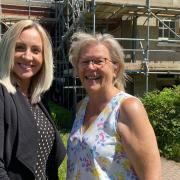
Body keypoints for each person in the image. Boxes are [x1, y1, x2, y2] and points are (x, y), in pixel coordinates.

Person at [67, 32, 161, 180]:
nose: (91, 67)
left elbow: (151, 176)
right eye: (84, 61)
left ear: (115, 68)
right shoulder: (81, 107)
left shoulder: (127, 108)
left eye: (99, 61)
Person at [0, 20, 66, 180]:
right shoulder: (2, 93)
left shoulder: (37, 99)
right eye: (19, 47)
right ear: (7, 50)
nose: (28, 56)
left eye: (36, 50)